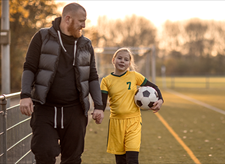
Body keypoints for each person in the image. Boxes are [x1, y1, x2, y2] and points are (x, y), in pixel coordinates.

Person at [19, 3, 104, 164]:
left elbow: (93, 76)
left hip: (75, 111)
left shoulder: (86, 44)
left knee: (72, 159)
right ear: (67, 19)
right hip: (45, 109)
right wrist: (25, 95)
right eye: (81, 21)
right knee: (44, 154)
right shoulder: (42, 37)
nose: (84, 25)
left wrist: (98, 106)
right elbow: (29, 67)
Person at [100, 48, 164, 164]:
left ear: (129, 63)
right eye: (119, 58)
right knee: (121, 161)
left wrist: (160, 100)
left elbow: (155, 87)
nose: (122, 61)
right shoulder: (106, 81)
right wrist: (98, 111)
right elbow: (102, 103)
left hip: (133, 122)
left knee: (132, 159)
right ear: (113, 60)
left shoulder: (134, 76)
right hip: (116, 123)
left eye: (126, 59)